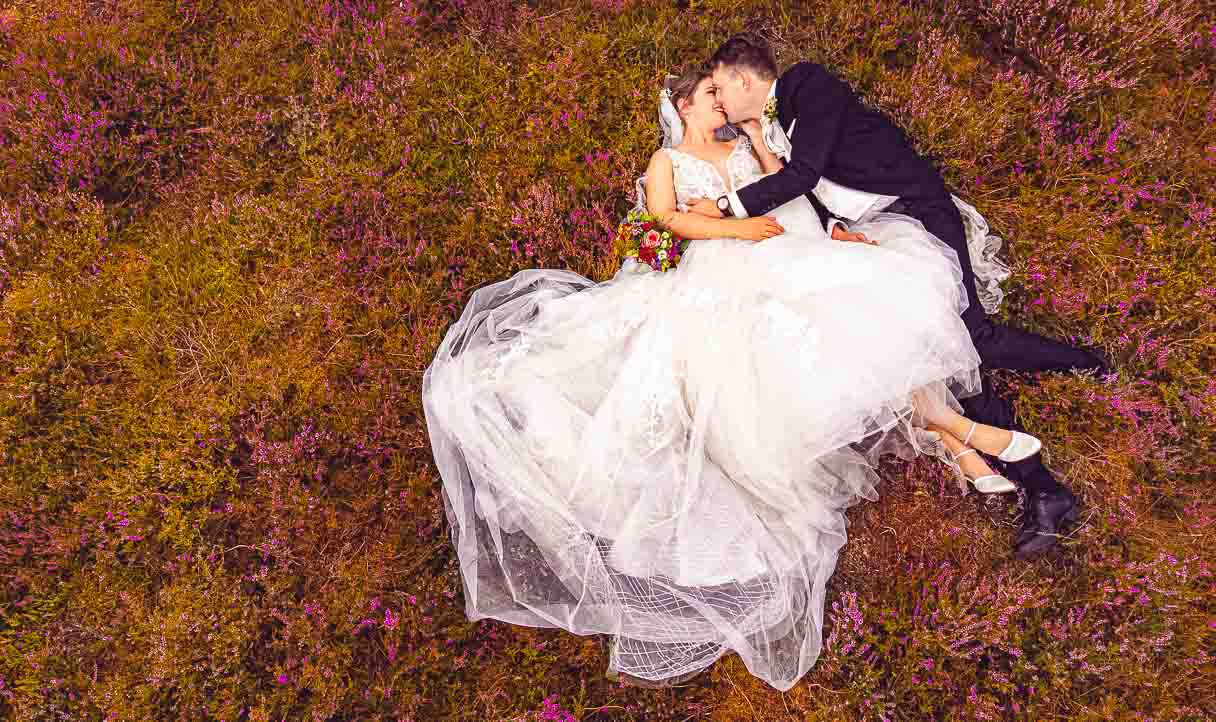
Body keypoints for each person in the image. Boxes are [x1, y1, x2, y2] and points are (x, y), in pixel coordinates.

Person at [421, 68, 1042, 690]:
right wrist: (734, 227)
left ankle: (957, 438)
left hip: (783, 253)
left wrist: (788, 180)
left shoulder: (746, 147)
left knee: (862, 317)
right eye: (711, 97)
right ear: (685, 104)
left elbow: (789, 189)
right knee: (798, 350)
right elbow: (667, 221)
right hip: (722, 270)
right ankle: (958, 432)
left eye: (726, 94)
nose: (722, 104)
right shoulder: (668, 158)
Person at [700, 33, 1104, 558]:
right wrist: (836, 228)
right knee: (930, 362)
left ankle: (1087, 364)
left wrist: (727, 206)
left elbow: (807, 174)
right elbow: (821, 193)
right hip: (877, 236)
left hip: (919, 217)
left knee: (970, 340)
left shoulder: (807, 82)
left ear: (742, 76)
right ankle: (1045, 489)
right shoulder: (773, 127)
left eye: (719, 87)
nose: (720, 102)